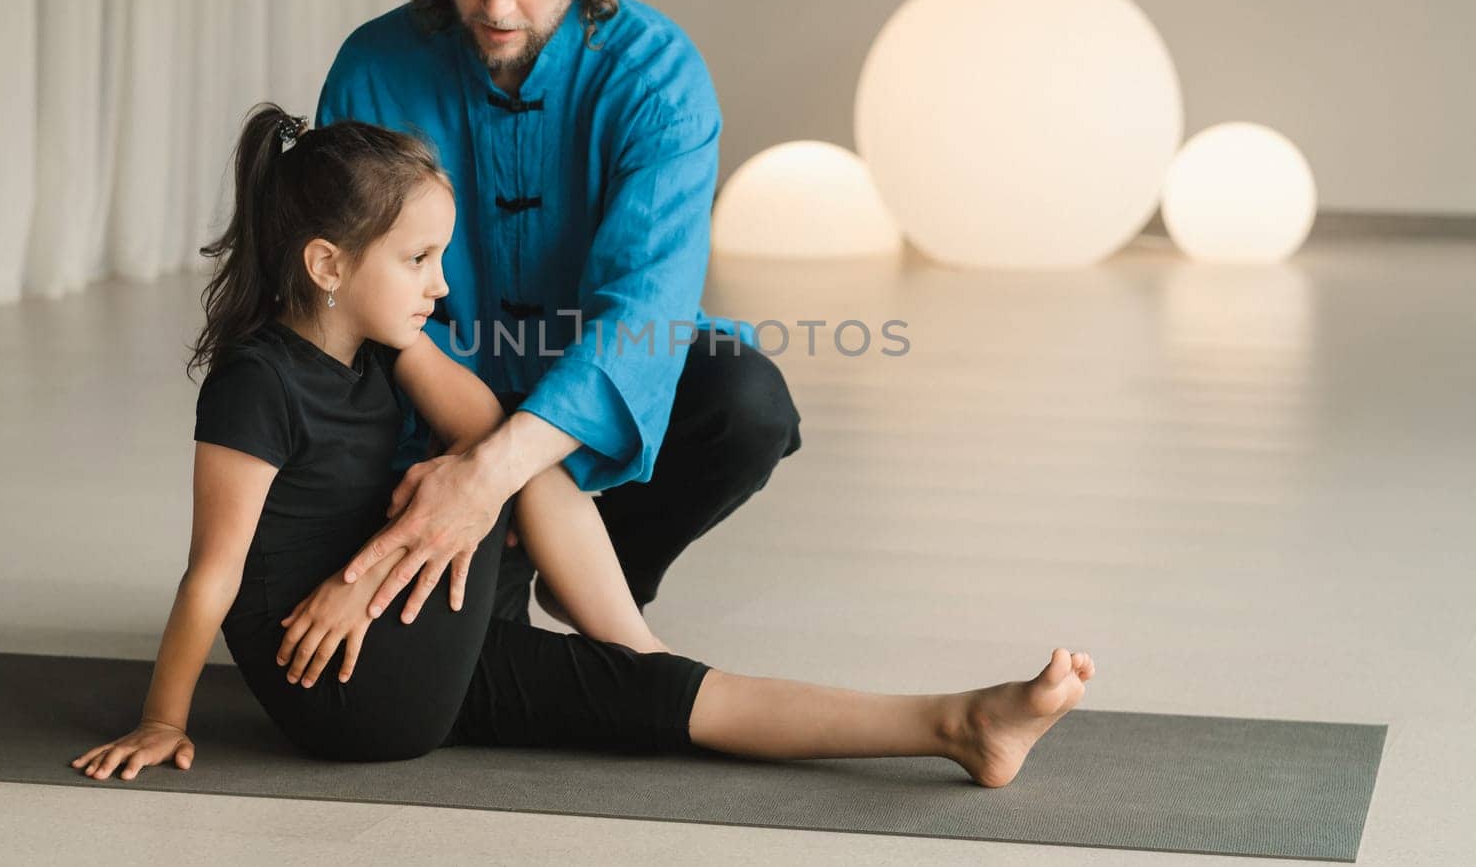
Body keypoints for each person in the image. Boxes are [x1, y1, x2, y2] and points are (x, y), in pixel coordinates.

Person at [70, 105, 1096, 785]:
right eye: (420, 259)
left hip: (407, 651)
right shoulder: (257, 381)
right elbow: (213, 573)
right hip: (350, 684)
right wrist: (165, 717)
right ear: (328, 264)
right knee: (490, 464)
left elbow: (484, 429)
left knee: (644, 665)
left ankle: (959, 723)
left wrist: (426, 368)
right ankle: (631, 642)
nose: (439, 282)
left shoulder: (382, 348)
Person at [308, 0, 801, 634]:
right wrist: (454, 461)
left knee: (744, 401)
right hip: (423, 401)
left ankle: (604, 575)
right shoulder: (371, 66)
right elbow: (340, 301)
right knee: (453, 682)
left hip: (586, 376)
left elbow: (645, 309)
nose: (497, 5)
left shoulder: (659, 77)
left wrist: (491, 474)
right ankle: (520, 566)